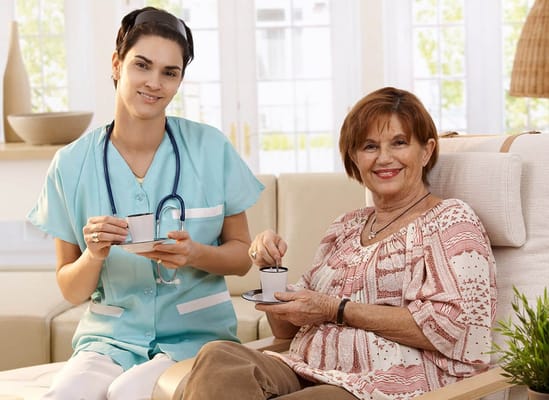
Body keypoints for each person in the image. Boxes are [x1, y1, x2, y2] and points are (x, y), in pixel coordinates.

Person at [182, 87, 497, 400]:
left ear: (426, 151)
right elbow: (285, 332)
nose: (384, 158)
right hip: (306, 368)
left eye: (399, 143)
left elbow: (458, 329)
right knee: (218, 358)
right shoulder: (345, 226)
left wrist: (337, 309)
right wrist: (269, 268)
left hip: (384, 385)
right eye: (369, 146)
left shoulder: (451, 221)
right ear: (354, 158)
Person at [27, 7, 263, 400]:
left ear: (179, 80)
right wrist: (95, 254)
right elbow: (71, 289)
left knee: (129, 393)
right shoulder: (70, 165)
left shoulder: (210, 148)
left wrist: (194, 254)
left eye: (170, 72)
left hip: (196, 340)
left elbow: (241, 258)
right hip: (109, 341)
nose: (154, 83)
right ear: (117, 64)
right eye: (143, 65)